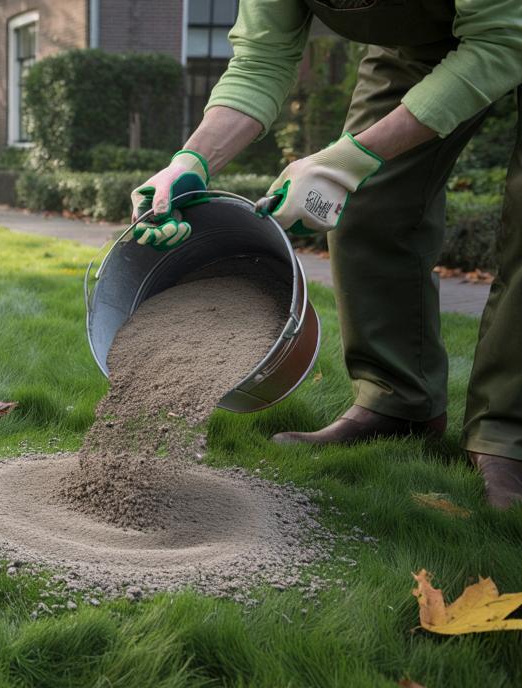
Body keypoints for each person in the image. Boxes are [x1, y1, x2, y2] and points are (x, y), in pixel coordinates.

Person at [131, 0, 522, 508]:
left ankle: (508, 434)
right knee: (364, 202)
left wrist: (352, 157)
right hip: (421, 39)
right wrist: (191, 160)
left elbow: (501, 40)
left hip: (504, 26)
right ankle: (398, 402)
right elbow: (260, 59)